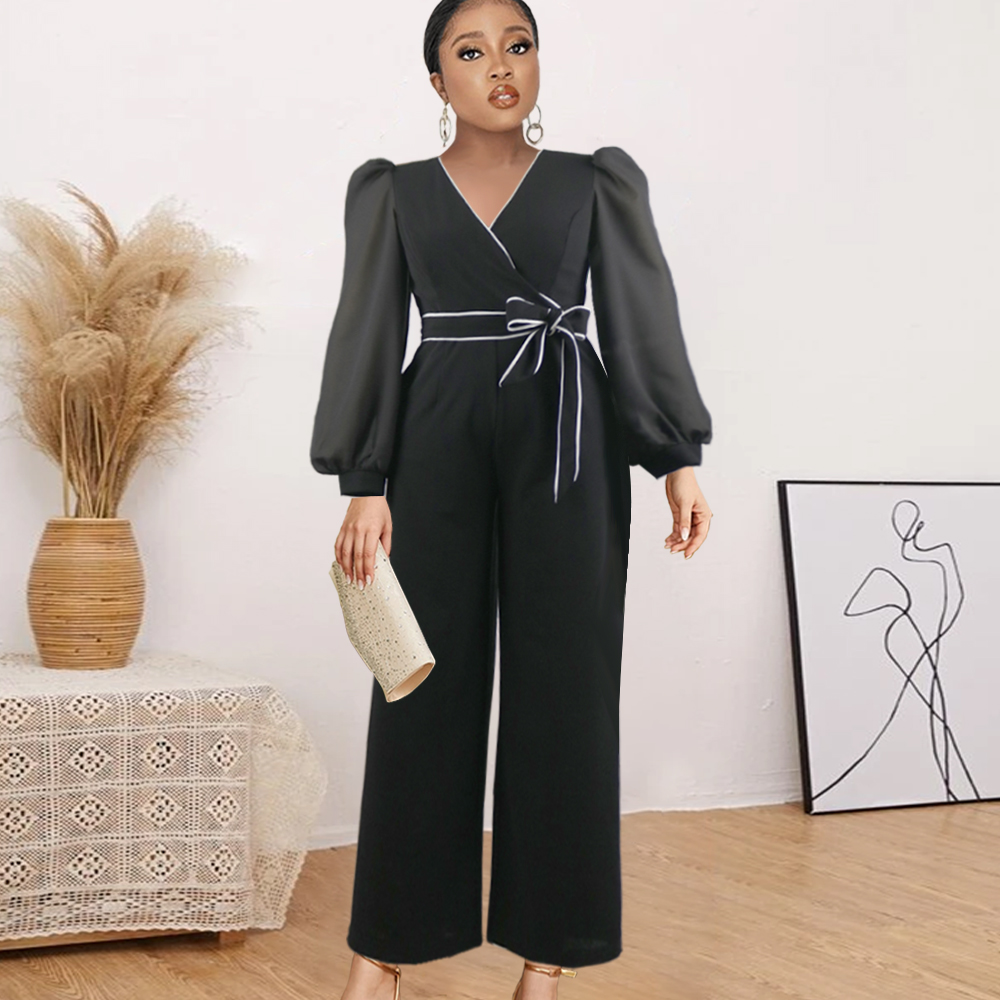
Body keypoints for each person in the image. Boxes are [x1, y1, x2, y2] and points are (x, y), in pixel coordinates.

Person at [310, 1, 714, 997]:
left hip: (567, 437)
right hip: (434, 436)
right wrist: (364, 481)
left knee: (566, 690)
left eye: (519, 46)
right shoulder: (393, 192)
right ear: (437, 79)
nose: (500, 66)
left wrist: (676, 458)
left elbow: (639, 313)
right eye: (472, 50)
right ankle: (383, 950)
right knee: (418, 684)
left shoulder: (594, 181)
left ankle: (548, 957)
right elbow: (366, 329)